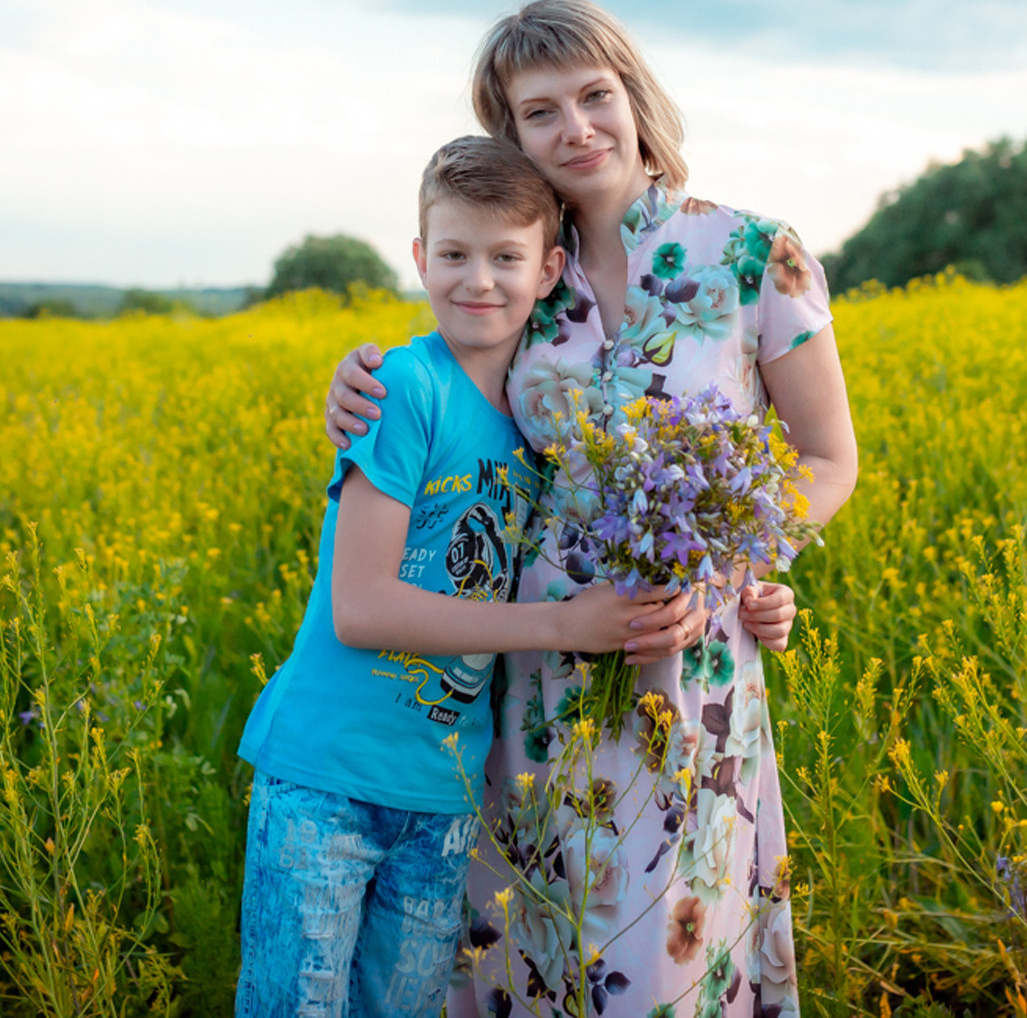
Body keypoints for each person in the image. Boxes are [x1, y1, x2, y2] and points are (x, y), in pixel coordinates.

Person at [322, 0, 858, 1016]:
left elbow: (827, 456)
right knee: (533, 937)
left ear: (633, 97)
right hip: (535, 675)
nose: (575, 127)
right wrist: (354, 383)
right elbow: (436, 391)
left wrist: (738, 563)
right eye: (538, 111)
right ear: (509, 134)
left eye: (593, 95)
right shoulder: (527, 269)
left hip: (686, 663)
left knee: (664, 948)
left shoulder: (753, 254)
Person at [237, 137, 705, 1018]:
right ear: (420, 259)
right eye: (452, 255)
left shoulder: (542, 429)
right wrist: (565, 628)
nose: (477, 280)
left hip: (445, 793)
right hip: (328, 779)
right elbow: (363, 607)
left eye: (505, 258)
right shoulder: (402, 388)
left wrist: (751, 589)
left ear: (549, 267)